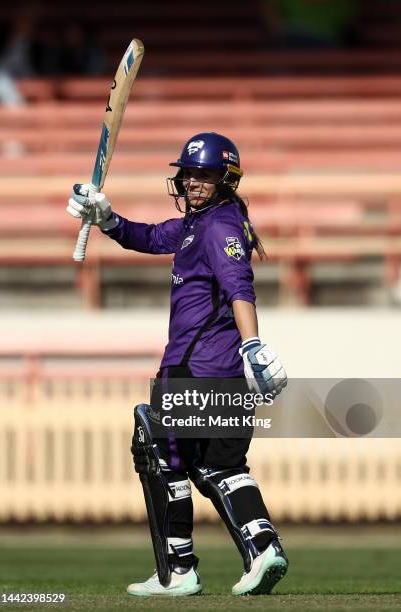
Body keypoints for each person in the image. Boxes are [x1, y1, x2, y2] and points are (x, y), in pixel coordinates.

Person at [67, 132, 288, 597]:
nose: (191, 182)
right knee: (220, 467)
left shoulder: (217, 227)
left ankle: (179, 569)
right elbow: (145, 236)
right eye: (188, 173)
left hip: (193, 368)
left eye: (203, 175)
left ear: (226, 180)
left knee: (159, 453)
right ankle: (263, 545)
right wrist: (105, 217)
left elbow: (238, 287)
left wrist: (254, 344)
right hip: (221, 374)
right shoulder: (200, 223)